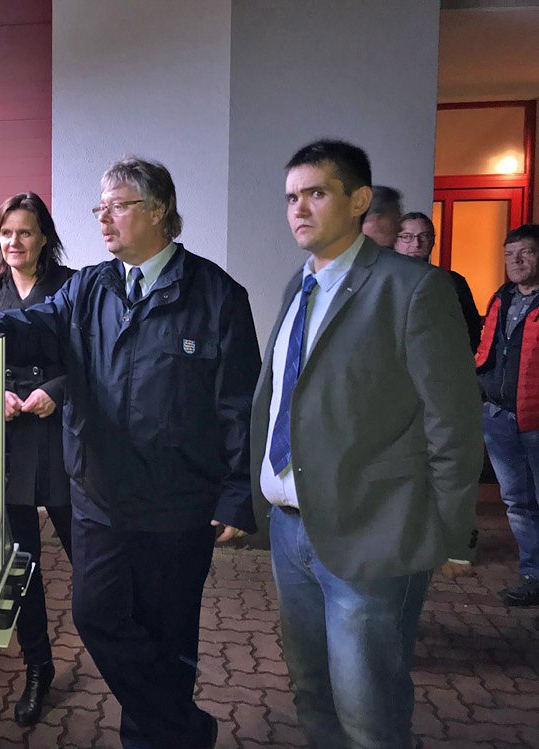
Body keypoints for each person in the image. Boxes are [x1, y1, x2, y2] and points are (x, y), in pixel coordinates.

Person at [0, 157, 260, 748]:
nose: (103, 219)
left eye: (117, 206)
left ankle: (152, 738)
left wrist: (238, 494)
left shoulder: (215, 295)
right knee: (96, 615)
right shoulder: (89, 287)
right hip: (100, 497)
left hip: (177, 505)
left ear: (158, 211)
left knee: (167, 636)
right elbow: (34, 325)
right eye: (100, 208)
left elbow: (239, 404)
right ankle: (186, 730)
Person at [251, 139, 482, 748]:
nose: (299, 209)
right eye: (291, 197)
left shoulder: (412, 289)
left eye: (316, 193)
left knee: (367, 711)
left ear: (358, 201)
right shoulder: (298, 286)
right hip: (290, 529)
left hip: (373, 529)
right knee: (311, 690)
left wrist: (444, 529)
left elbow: (454, 421)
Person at [0, 192, 75, 727]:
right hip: (11, 446)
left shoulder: (72, 288)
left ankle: (123, 655)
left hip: (62, 443)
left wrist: (55, 390)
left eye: (26, 232)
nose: (14, 242)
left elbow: (92, 362)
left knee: (92, 561)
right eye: (6, 233)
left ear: (44, 238)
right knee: (23, 569)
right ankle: (38, 667)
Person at [476, 224, 539, 607]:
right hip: (499, 418)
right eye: (509, 254)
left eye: (525, 252)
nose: (516, 261)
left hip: (535, 420)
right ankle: (532, 575)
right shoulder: (501, 298)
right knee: (517, 502)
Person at [395, 211, 482, 351]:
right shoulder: (380, 280)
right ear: (395, 241)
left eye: (424, 236)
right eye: (407, 237)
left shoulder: (452, 281)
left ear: (432, 241)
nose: (416, 244)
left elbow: (472, 329)